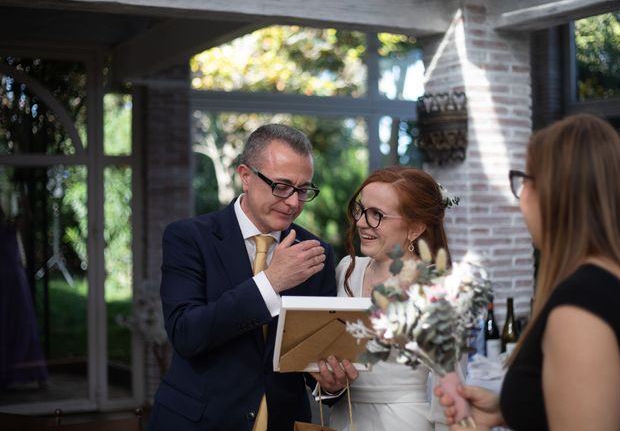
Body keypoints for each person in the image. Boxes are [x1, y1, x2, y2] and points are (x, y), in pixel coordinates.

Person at [436, 113, 620, 431]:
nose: (521, 201)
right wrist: (508, 409)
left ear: (556, 193)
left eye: (525, 180)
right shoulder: (619, 281)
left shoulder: (581, 305)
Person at [148, 124, 359, 431]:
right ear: (245, 176)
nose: (293, 202)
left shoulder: (315, 253)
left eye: (303, 190)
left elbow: (314, 360)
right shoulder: (189, 238)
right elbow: (186, 334)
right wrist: (271, 283)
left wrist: (330, 385)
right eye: (282, 186)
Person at [330, 166, 451, 431]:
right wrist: (329, 385)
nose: (361, 222)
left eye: (377, 215)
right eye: (360, 210)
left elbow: (448, 383)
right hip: (344, 418)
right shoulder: (346, 272)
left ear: (415, 228)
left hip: (403, 421)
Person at [0, 205, 48, 390]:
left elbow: (25, 220)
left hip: (14, 283)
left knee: (21, 325)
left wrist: (25, 204)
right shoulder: (10, 229)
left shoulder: (10, 229)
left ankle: (36, 374)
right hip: (9, 283)